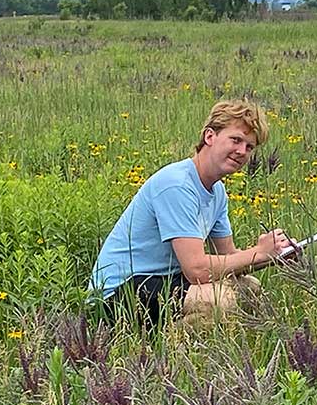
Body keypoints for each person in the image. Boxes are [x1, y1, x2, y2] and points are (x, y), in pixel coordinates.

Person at [88, 99, 294, 329]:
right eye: (235, 140)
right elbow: (197, 269)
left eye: (249, 147)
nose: (242, 152)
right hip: (119, 294)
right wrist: (258, 253)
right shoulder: (177, 185)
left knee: (249, 288)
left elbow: (229, 258)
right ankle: (163, 354)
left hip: (163, 281)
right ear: (209, 137)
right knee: (218, 301)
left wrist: (272, 254)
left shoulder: (216, 192)